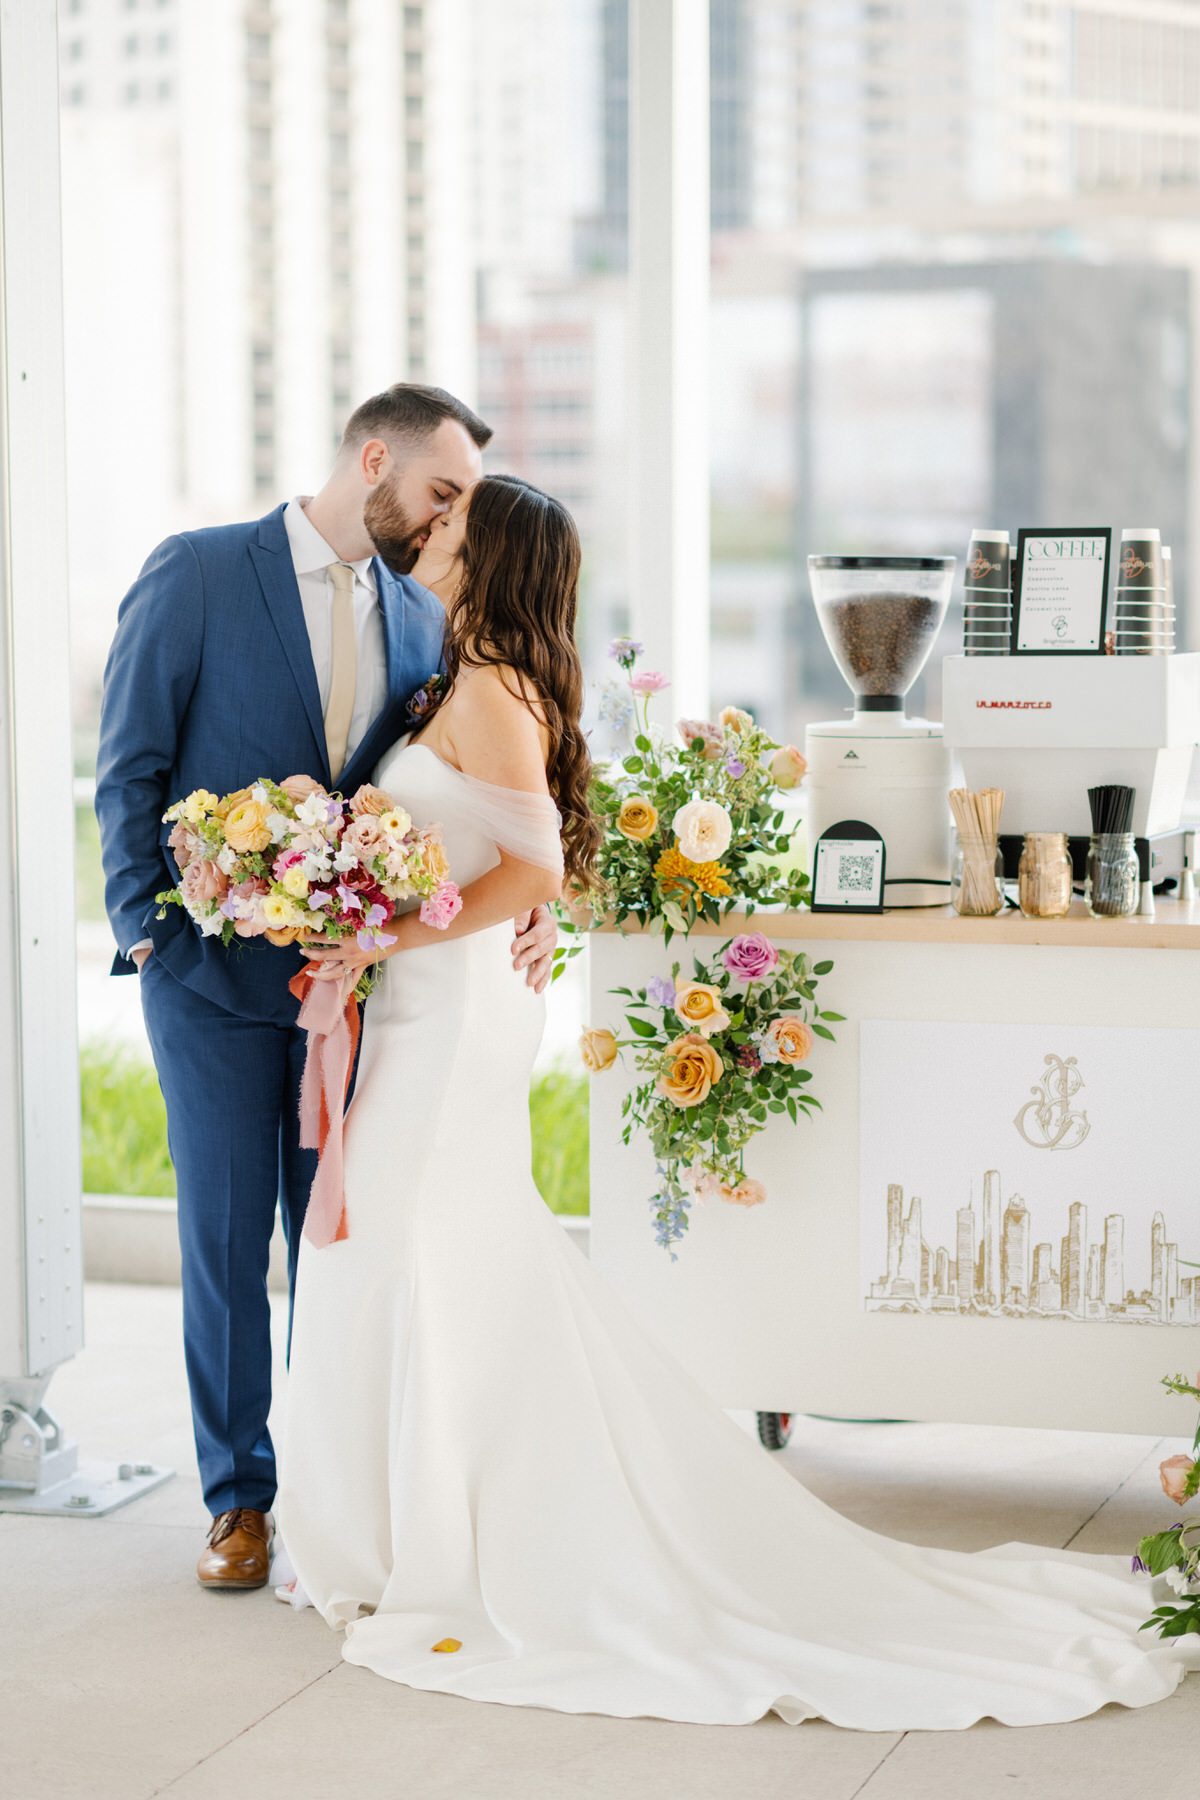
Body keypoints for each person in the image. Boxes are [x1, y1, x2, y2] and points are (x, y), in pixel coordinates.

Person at [275, 473, 1200, 1729]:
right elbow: (502, 862)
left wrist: (382, 938)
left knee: (402, 1243)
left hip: (449, 1024)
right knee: (405, 1251)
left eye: (447, 527)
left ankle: (427, 1536)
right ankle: (404, 1521)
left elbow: (538, 863)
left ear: (489, 557)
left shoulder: (490, 691)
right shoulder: (464, 676)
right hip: (438, 1009)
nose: (425, 537)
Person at [94, 386, 557, 1593]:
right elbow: (128, 760)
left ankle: (334, 1488)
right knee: (225, 1239)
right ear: (375, 461)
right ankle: (238, 1503)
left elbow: (480, 785)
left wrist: (536, 897)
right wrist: (151, 936)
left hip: (354, 997)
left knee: (339, 1244)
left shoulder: (422, 620)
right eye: (443, 492)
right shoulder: (197, 572)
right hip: (205, 976)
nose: (451, 517)